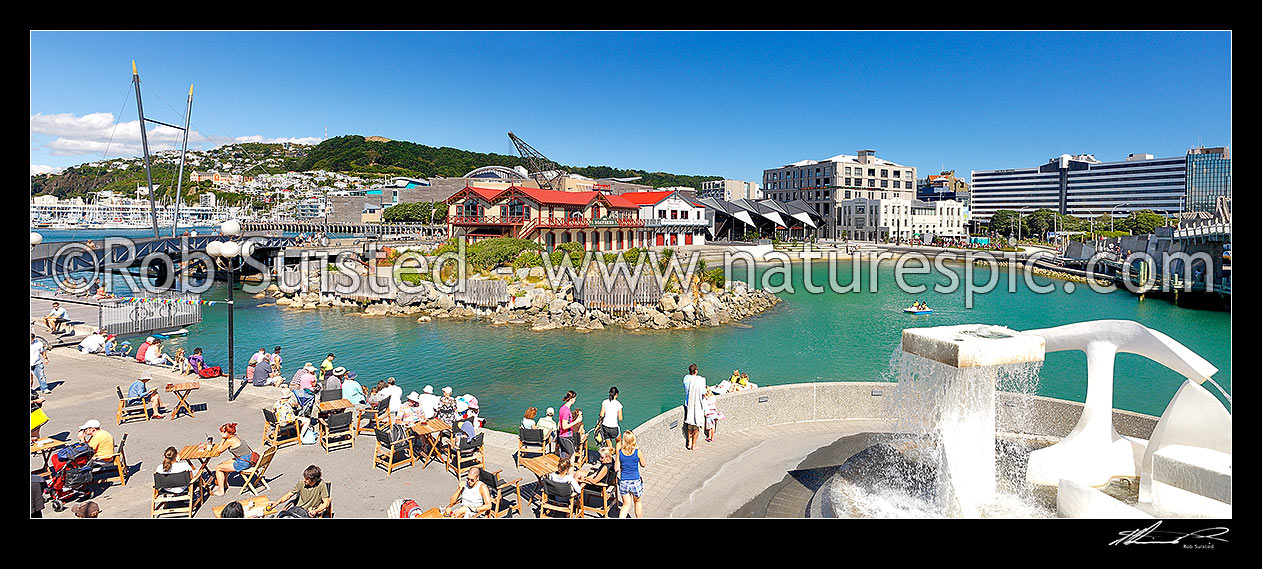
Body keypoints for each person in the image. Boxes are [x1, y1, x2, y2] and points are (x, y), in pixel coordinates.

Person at [210, 423, 257, 497]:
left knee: (218, 468)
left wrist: (222, 439)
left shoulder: (230, 441)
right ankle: (224, 484)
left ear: (226, 433)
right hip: (248, 458)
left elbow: (219, 450)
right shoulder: (237, 436)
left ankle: (221, 490)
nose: (220, 433)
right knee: (222, 464)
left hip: (243, 462)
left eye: (222, 432)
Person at [616, 429, 645, 518]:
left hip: (624, 481)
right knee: (637, 502)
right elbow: (643, 464)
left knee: (626, 505)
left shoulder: (620, 453)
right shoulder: (637, 452)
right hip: (635, 481)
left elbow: (616, 468)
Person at [682, 364, 707, 451]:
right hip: (697, 405)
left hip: (688, 404)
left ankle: (688, 443)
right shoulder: (700, 380)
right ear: (696, 371)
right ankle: (694, 444)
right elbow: (703, 392)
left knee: (690, 424)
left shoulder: (686, 379)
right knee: (696, 425)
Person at [556, 391, 582, 459]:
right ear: (572, 399)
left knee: (564, 457)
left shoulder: (562, 408)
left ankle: (563, 469)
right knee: (572, 456)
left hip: (562, 436)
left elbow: (560, 424)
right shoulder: (566, 411)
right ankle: (570, 469)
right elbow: (564, 426)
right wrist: (577, 421)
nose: (575, 400)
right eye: (575, 398)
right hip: (566, 436)